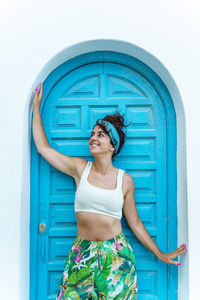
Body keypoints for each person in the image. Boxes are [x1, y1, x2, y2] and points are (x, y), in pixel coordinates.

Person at [33, 82, 187, 300]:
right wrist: (36, 109)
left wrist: (159, 253)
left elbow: (134, 223)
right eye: (93, 133)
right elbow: (43, 148)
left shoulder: (125, 180)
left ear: (112, 146)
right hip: (82, 253)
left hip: (116, 256)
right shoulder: (79, 168)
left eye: (101, 134)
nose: (93, 137)